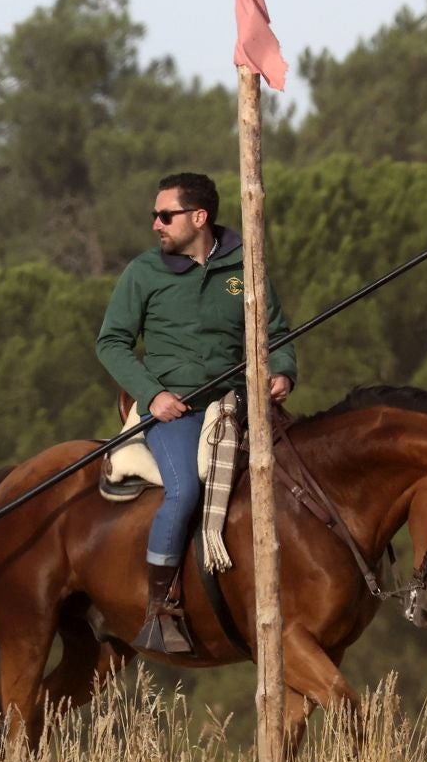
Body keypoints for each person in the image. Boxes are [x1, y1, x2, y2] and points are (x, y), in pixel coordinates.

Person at [96, 173, 298, 654]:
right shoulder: (143, 273)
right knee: (185, 489)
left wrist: (284, 372)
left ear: (199, 217)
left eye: (165, 215)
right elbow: (112, 343)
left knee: (299, 477)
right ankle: (160, 608)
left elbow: (276, 332)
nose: (156, 225)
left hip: (239, 405)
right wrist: (153, 395)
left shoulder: (244, 267)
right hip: (175, 413)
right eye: (154, 215)